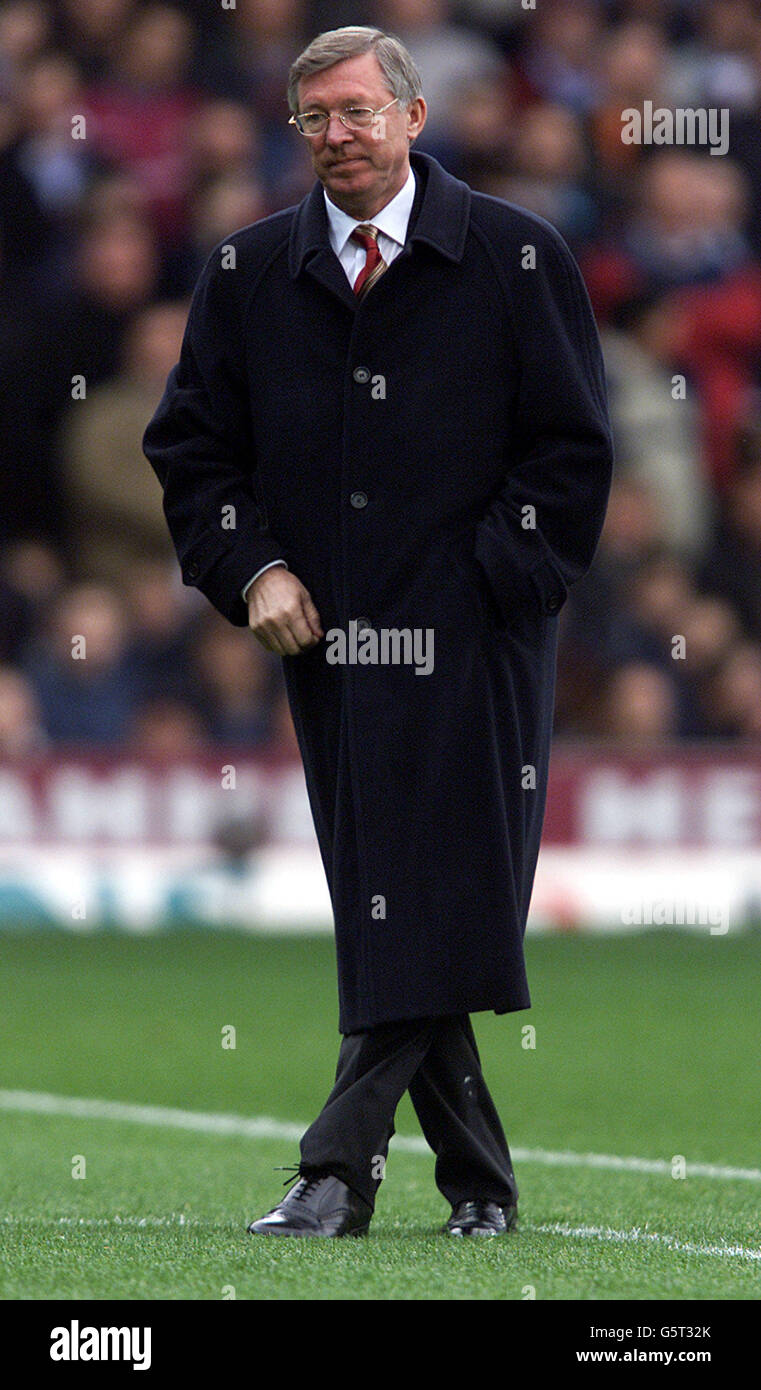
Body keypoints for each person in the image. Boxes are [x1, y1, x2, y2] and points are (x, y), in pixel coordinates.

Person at [143, 25, 613, 1239]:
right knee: (399, 900)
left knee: (430, 894)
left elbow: (567, 456)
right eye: (314, 118)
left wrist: (481, 585)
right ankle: (479, 1185)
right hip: (329, 648)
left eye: (357, 111)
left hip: (480, 646)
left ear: (414, 116)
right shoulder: (248, 273)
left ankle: (334, 1167)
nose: (336, 136)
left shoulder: (516, 255)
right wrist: (254, 570)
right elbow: (191, 456)